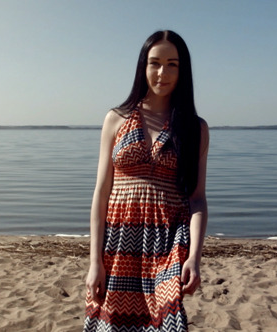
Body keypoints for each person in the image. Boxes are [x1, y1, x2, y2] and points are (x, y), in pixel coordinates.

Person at [84, 30, 209, 332]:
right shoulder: (116, 118)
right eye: (154, 63)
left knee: (167, 324)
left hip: (168, 243)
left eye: (172, 64)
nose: (162, 73)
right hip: (118, 241)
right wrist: (94, 262)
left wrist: (194, 257)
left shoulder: (195, 128)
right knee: (112, 324)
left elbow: (197, 198)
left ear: (183, 70)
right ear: (143, 66)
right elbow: (101, 194)